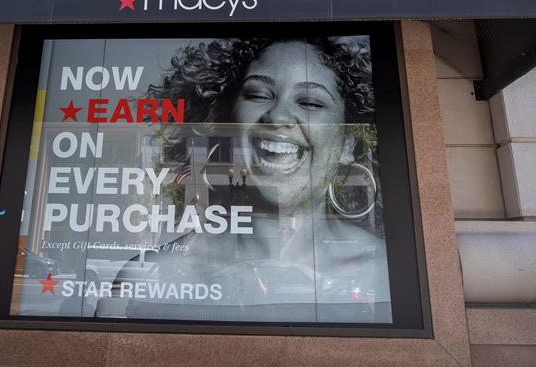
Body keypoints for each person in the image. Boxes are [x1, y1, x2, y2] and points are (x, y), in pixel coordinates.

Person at [118, 36, 389, 323]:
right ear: (224, 120)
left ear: (348, 143)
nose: (278, 115)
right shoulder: (156, 275)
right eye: (259, 95)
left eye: (310, 102)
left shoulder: (384, 271)